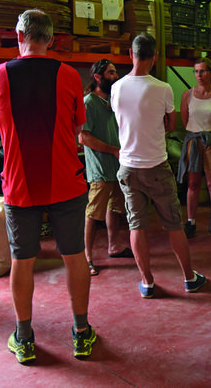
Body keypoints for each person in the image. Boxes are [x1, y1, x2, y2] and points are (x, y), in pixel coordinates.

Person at [0, 9, 96, 364]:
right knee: (74, 254)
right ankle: (81, 333)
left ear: (19, 36)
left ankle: (24, 337)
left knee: (23, 259)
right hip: (66, 181)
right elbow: (78, 127)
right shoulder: (68, 76)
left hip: (20, 185)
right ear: (51, 40)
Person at [111, 32, 208, 299]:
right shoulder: (162, 88)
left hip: (128, 167)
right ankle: (189, 278)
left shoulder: (116, 87)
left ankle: (148, 282)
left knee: (136, 225)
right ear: (154, 57)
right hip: (155, 166)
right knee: (174, 225)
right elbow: (172, 125)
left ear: (131, 55)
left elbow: (121, 120)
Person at [79, 58, 133, 277]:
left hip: (118, 165)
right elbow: (83, 137)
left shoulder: (113, 100)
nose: (115, 76)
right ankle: (86, 257)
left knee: (115, 207)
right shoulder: (88, 103)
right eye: (110, 73)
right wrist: (112, 150)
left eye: (115, 72)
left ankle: (114, 246)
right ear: (97, 77)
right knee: (94, 213)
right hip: (100, 168)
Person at [177, 57, 211, 238]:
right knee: (193, 183)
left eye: (203, 71)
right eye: (196, 71)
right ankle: (190, 222)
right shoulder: (188, 95)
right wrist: (195, 134)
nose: (199, 75)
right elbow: (185, 120)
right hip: (194, 140)